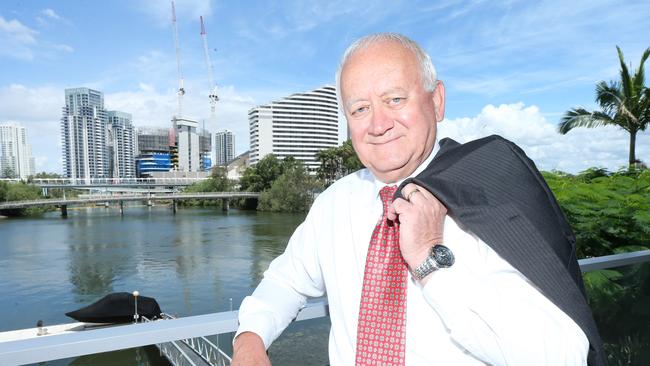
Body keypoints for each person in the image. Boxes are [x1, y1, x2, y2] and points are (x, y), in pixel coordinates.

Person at [232, 33, 601, 365]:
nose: (378, 124)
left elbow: (562, 354)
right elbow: (286, 283)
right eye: (360, 108)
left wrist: (430, 258)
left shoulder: (491, 193)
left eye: (394, 99)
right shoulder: (334, 202)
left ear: (436, 101)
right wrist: (249, 340)